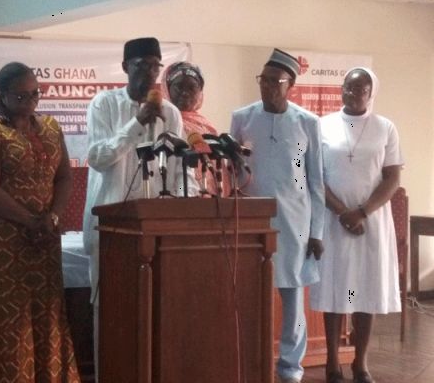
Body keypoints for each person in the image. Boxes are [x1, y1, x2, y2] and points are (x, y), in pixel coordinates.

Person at [83, 37, 195, 378]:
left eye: (154, 66)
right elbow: (99, 158)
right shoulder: (104, 104)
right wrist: (136, 123)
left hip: (156, 231)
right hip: (110, 230)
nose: (149, 72)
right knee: (110, 309)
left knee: (155, 307)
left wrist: (179, 214)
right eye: (141, 65)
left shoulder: (171, 113)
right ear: (124, 68)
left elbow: (180, 171)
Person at [0, 62, 80, 383]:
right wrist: (30, 221)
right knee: (8, 315)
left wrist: (52, 217)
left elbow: (65, 177)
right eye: (21, 95)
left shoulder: (51, 128)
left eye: (35, 94)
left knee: (46, 309)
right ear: (1, 96)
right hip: (3, 237)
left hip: (44, 236)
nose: (30, 102)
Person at [230, 48, 325, 383]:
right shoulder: (242, 118)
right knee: (250, 295)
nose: (266, 86)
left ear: (291, 86)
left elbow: (317, 183)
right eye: (263, 80)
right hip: (253, 221)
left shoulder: (308, 123)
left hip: (295, 223)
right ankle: (253, 360)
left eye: (274, 81)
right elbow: (232, 171)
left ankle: (290, 368)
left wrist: (318, 232)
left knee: (292, 298)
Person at [310, 67, 402, 383]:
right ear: (341, 90)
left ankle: (360, 363)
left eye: (360, 88)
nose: (353, 93)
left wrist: (361, 212)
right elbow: (314, 176)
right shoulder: (322, 125)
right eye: (348, 87)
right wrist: (341, 213)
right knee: (336, 289)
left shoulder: (385, 127)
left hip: (372, 222)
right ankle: (332, 364)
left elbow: (392, 178)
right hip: (333, 220)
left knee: (365, 290)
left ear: (370, 92)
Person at [161, 61, 231, 196]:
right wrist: (183, 197)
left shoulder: (206, 126)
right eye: (179, 87)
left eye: (192, 88)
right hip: (179, 200)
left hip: (213, 204)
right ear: (167, 89)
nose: (185, 93)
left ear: (200, 92)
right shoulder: (162, 122)